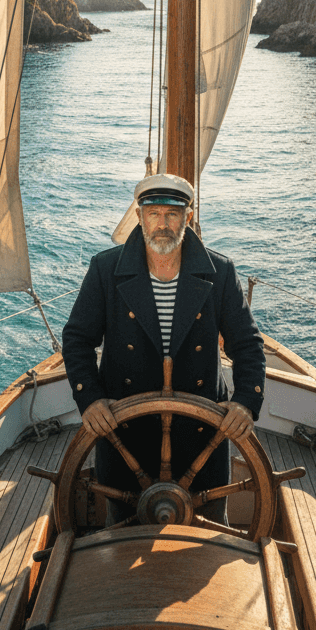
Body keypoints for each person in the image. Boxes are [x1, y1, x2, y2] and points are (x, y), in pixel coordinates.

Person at [62, 173, 266, 525]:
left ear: (187, 218)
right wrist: (91, 399)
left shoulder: (220, 272)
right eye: (153, 213)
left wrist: (246, 402)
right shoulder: (105, 269)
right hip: (127, 433)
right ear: (139, 217)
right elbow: (78, 339)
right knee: (122, 531)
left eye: (172, 215)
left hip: (200, 435)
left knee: (208, 535)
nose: (162, 224)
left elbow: (247, 345)